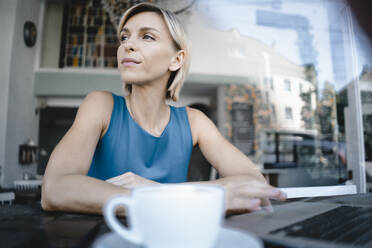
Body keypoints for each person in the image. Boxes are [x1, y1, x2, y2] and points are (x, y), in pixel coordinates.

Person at [41, 2, 286, 216]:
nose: (128, 45)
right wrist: (159, 201)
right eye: (125, 37)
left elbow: (253, 183)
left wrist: (157, 191)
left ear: (176, 59)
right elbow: (55, 189)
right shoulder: (101, 105)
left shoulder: (194, 121)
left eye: (147, 37)